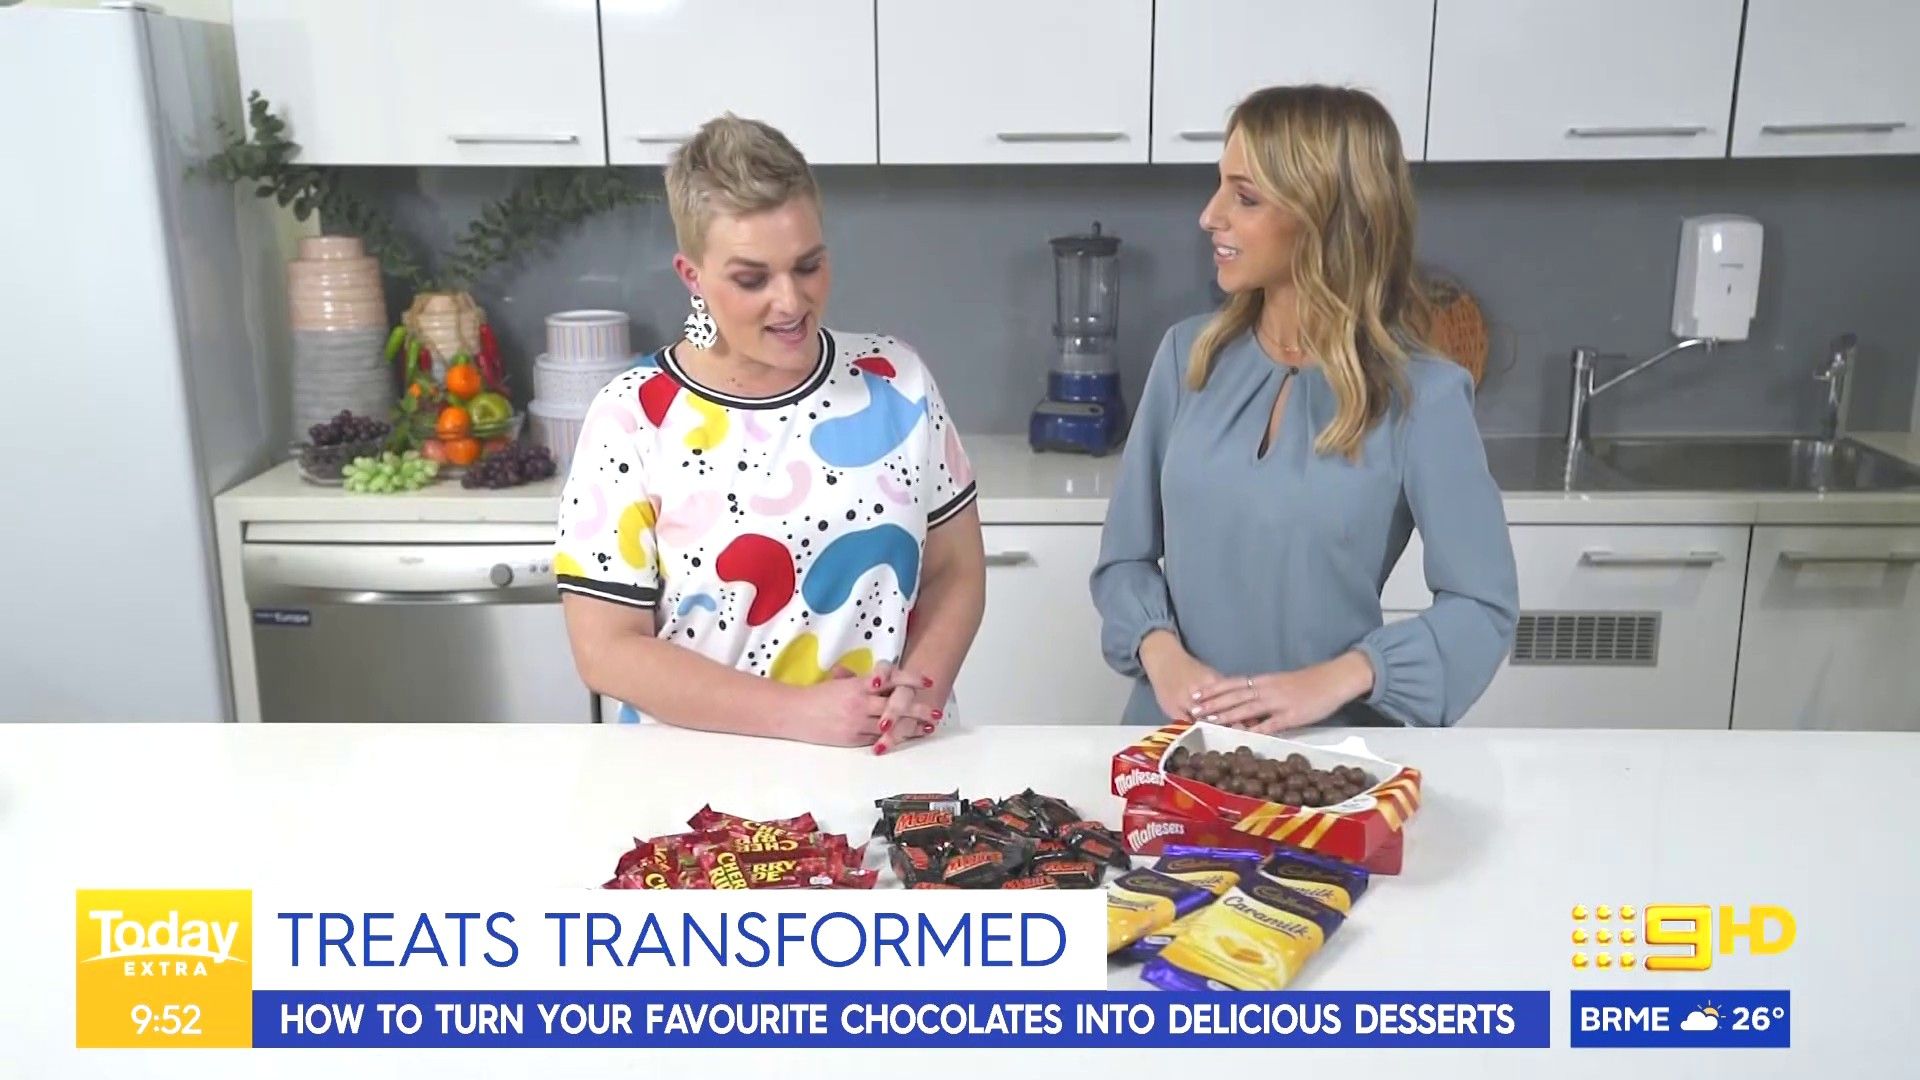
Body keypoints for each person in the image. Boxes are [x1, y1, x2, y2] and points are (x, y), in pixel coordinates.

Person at [1091, 85, 1518, 731]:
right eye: (1219, 187)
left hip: (1325, 756)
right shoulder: (1188, 357)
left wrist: (1338, 678)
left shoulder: (1423, 396)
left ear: (1326, 217)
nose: (1209, 216)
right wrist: (1161, 652)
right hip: (1170, 739)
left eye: (1246, 198)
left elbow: (1482, 607)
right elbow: (1124, 558)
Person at [556, 114, 986, 753]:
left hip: (888, 764)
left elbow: (956, 572)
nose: (790, 301)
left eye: (808, 266)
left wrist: (916, 694)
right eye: (752, 279)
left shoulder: (896, 378)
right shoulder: (632, 416)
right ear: (692, 276)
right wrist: (802, 714)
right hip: (697, 777)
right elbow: (606, 650)